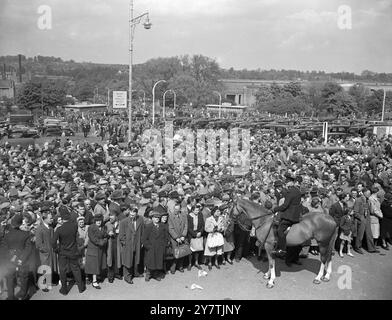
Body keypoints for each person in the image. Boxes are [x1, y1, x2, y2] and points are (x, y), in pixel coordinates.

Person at [52, 206, 85, 295]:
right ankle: (81, 287)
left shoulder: (59, 229)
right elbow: (77, 238)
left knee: (62, 271)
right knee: (76, 269)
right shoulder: (74, 226)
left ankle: (64, 289)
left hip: (63, 252)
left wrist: (56, 250)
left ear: (61, 217)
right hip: (73, 251)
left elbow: (53, 242)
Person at [272, 175, 303, 266]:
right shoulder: (297, 190)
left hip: (289, 217)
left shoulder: (290, 192)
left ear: (291, 182)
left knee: (280, 231)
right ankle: (295, 258)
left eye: (287, 182)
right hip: (297, 217)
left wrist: (275, 209)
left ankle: (282, 249)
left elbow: (285, 206)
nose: (286, 183)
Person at [4, 214, 33, 300]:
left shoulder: (6, 235)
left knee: (10, 278)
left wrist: (11, 258)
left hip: (10, 259)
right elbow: (28, 248)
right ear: (20, 223)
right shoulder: (26, 234)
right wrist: (21, 259)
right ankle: (23, 295)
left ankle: (10, 296)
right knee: (23, 277)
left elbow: (4, 249)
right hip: (22, 259)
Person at [119, 206, 144, 284]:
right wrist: (125, 243)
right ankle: (127, 277)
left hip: (137, 243)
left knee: (136, 259)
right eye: (130, 214)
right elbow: (121, 236)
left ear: (136, 214)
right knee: (128, 261)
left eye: (133, 214)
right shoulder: (124, 222)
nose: (132, 216)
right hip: (128, 244)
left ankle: (136, 273)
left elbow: (142, 231)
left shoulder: (140, 219)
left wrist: (142, 242)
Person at [142, 211, 168, 281]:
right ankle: (148, 274)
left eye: (158, 217)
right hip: (151, 248)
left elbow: (166, 237)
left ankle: (155, 274)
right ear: (152, 218)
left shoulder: (162, 226)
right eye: (155, 217)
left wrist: (164, 245)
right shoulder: (148, 226)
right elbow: (144, 239)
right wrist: (149, 247)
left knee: (158, 262)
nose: (157, 219)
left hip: (160, 247)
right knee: (151, 262)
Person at [35, 211, 57, 292]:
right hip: (45, 253)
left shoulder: (50, 228)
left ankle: (48, 283)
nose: (52, 219)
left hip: (51, 252)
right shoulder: (40, 229)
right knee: (45, 268)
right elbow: (38, 244)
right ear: (44, 219)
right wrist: (45, 250)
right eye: (50, 218)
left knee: (50, 267)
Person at [85, 214, 108, 289]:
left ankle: (96, 277)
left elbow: (105, 236)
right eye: (97, 220)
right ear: (95, 221)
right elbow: (92, 238)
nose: (98, 222)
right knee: (94, 265)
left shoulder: (104, 227)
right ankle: (94, 281)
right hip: (93, 248)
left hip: (100, 249)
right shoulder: (91, 227)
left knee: (99, 264)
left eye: (100, 220)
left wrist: (104, 240)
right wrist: (101, 242)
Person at [353, 188, 379, 254]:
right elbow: (355, 212)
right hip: (361, 219)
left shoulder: (368, 200)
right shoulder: (358, 200)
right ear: (364, 193)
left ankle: (371, 248)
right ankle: (357, 247)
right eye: (368, 193)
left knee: (369, 234)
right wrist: (361, 218)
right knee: (360, 235)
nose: (369, 194)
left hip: (367, 218)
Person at [168, 198, 189, 274]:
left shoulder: (183, 215)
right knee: (176, 253)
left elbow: (186, 225)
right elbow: (170, 228)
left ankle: (180, 266)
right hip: (175, 238)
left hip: (182, 237)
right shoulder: (170, 216)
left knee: (183, 252)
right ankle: (173, 267)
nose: (176, 211)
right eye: (175, 210)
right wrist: (176, 237)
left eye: (178, 210)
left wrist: (183, 235)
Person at [204, 206, 225, 270]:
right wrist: (212, 230)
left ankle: (216, 261)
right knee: (211, 250)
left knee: (218, 250)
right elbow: (206, 228)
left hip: (218, 235)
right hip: (212, 235)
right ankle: (210, 262)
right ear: (214, 212)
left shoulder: (221, 218)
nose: (219, 213)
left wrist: (221, 229)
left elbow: (223, 226)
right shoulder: (209, 219)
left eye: (219, 211)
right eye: (217, 211)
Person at [105, 211, 122, 283]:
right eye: (110, 216)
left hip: (117, 244)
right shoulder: (107, 224)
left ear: (116, 216)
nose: (110, 217)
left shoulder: (120, 224)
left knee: (117, 258)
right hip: (110, 244)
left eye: (112, 215)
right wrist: (108, 234)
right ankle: (110, 276)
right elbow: (103, 234)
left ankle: (117, 273)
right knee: (110, 259)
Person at [187, 203, 204, 270]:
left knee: (197, 250)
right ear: (192, 210)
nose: (197, 211)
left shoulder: (200, 215)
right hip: (192, 235)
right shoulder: (189, 216)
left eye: (198, 210)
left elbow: (203, 225)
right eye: (196, 210)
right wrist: (194, 234)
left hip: (198, 233)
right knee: (191, 250)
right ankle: (190, 263)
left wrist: (200, 232)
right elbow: (188, 227)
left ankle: (196, 262)